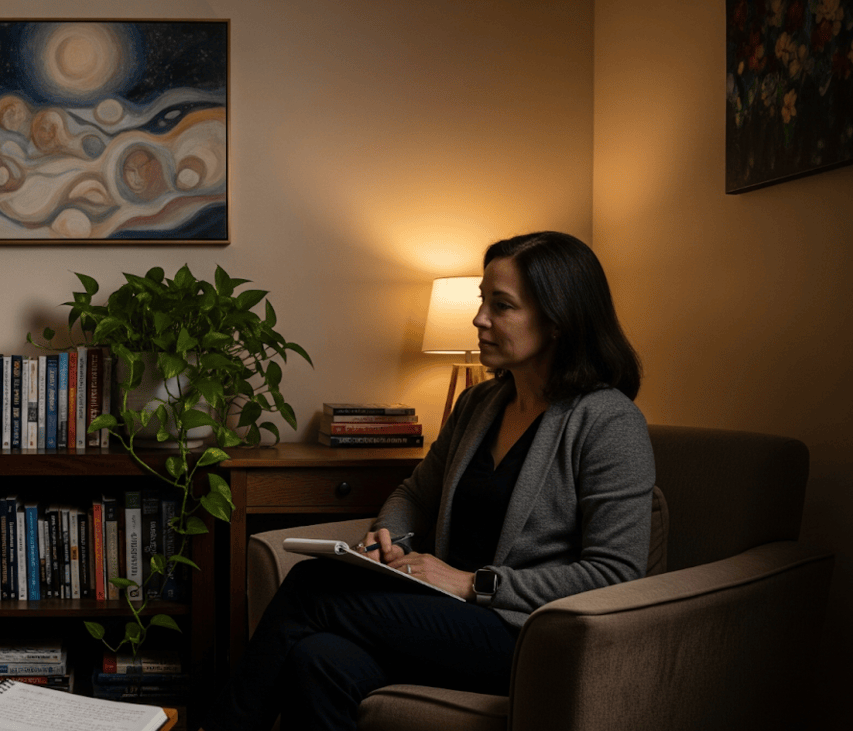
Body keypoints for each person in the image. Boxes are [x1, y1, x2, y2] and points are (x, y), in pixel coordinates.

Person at [207, 231, 654, 731]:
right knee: (318, 659)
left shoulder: (609, 422)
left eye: (501, 306)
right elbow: (415, 493)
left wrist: (472, 583)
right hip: (438, 614)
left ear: (557, 321)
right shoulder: (479, 405)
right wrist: (389, 538)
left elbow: (616, 574)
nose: (479, 319)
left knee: (311, 586)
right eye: (483, 301)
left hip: (522, 634)